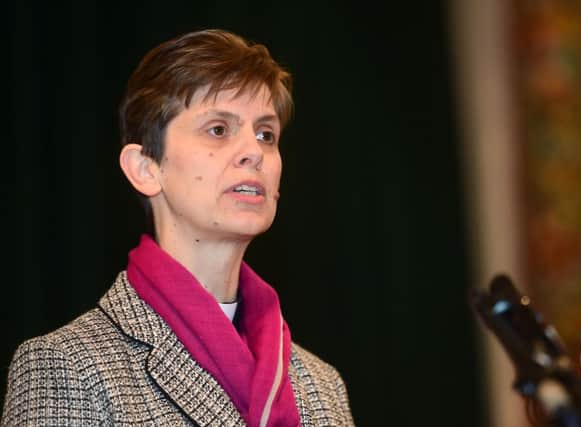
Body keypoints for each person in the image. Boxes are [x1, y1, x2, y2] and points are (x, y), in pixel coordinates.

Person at [1, 29, 354, 426]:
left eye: (266, 134)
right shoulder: (68, 366)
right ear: (146, 169)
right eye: (218, 129)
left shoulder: (321, 385)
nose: (254, 152)